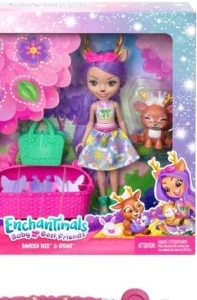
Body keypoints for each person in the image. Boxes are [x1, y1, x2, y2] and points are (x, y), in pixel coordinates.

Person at [74, 35, 139, 214]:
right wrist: (83, 140)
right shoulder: (94, 106)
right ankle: (103, 201)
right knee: (100, 170)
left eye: (111, 83)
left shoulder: (114, 105)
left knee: (114, 168)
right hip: (97, 138)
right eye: (94, 83)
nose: (102, 89)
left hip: (114, 137)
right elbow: (89, 123)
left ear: (120, 82)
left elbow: (121, 121)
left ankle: (116, 199)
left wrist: (125, 137)